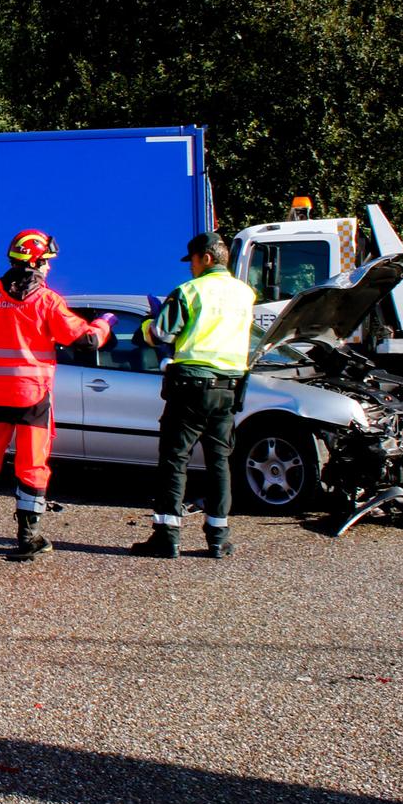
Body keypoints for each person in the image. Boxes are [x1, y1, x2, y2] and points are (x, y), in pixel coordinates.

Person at [0, 230, 113, 558]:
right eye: (48, 262)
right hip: (32, 398)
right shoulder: (47, 301)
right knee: (32, 465)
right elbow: (86, 342)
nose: (50, 268)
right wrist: (106, 323)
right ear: (36, 262)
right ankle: (28, 537)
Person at [131, 232, 258, 559]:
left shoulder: (189, 291)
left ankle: (167, 536)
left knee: (175, 459)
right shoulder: (246, 294)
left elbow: (161, 332)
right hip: (228, 388)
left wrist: (146, 327)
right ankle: (218, 537)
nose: (191, 268)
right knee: (219, 462)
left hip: (190, 386)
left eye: (193, 261)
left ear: (206, 258)